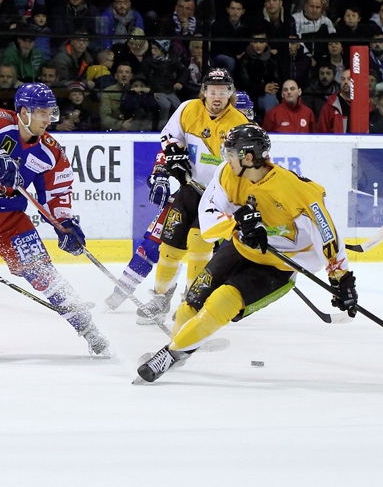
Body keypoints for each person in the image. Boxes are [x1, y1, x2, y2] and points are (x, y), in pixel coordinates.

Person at [136, 123, 356, 382]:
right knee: (189, 307)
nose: (225, 158)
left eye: (230, 153)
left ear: (248, 157)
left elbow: (326, 232)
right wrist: (237, 224)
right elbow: (208, 220)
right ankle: (182, 346)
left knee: (220, 303)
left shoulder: (296, 190)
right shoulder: (226, 173)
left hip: (278, 265)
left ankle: (170, 355)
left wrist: (340, 277)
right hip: (239, 249)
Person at [0, 83, 109, 356]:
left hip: (8, 218)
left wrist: (64, 222)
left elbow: (57, 193)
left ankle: (87, 327)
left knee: (42, 273)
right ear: (24, 112)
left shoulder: (50, 151)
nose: (48, 120)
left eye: (50, 113)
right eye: (42, 113)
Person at [103, 87, 256, 310]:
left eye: (246, 113)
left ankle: (193, 301)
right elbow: (171, 148)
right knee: (156, 243)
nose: (243, 119)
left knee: (209, 257)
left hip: (224, 205)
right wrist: (160, 173)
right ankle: (138, 295)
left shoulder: (251, 145)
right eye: (240, 112)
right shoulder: (201, 123)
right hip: (189, 193)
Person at [133, 68, 248, 325]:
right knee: (169, 247)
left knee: (199, 246)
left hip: (218, 197)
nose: (217, 97)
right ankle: (160, 297)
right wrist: (174, 153)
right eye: (212, 91)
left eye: (222, 92)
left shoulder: (239, 123)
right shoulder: (188, 109)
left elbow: (245, 167)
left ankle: (191, 301)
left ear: (230, 94)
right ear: (204, 92)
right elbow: (170, 135)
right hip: (189, 189)